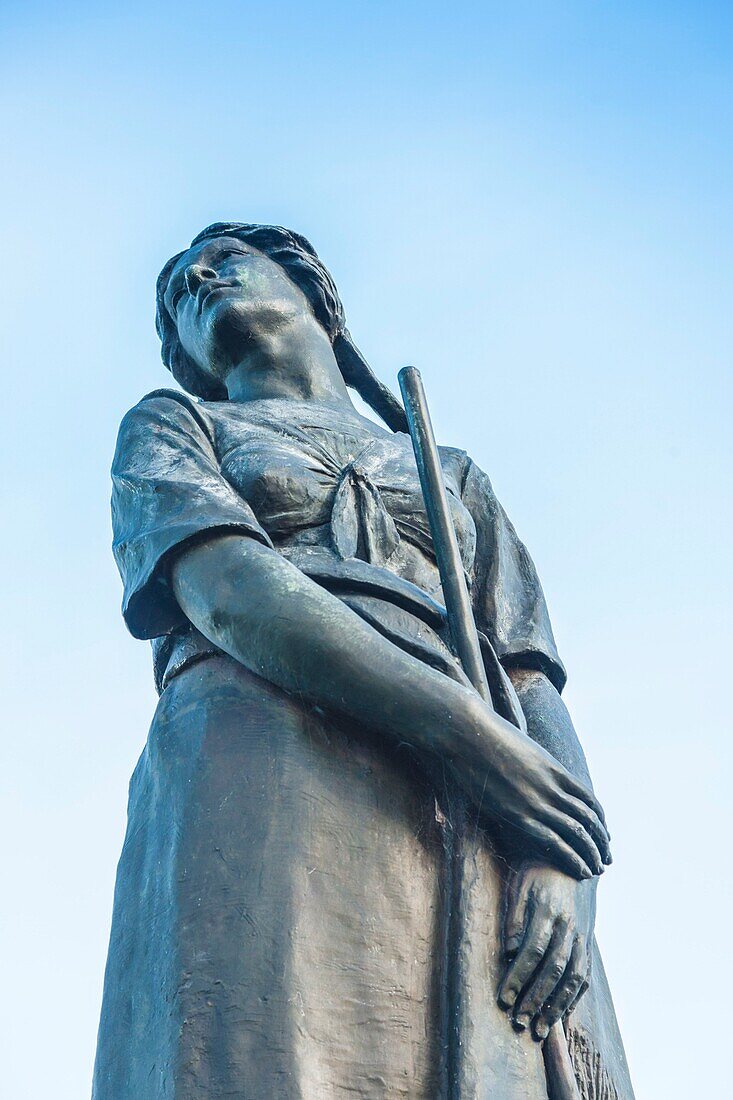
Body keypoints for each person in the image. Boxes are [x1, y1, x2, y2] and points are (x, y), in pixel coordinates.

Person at [93, 223, 634, 1099]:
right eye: (178, 293)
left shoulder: (452, 474)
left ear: (316, 293)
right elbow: (230, 589)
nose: (199, 276)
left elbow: (529, 674)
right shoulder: (175, 424)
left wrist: (563, 859)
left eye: (224, 257)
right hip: (266, 744)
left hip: (487, 797)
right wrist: (468, 734)